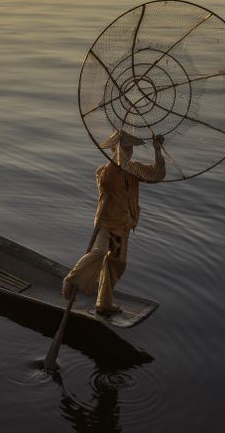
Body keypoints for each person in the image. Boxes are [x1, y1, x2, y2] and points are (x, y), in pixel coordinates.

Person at [62, 129, 166, 315]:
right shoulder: (104, 171)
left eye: (129, 149)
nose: (127, 152)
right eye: (123, 148)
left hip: (123, 226)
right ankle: (71, 280)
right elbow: (108, 183)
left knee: (116, 264)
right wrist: (119, 156)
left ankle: (104, 304)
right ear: (114, 151)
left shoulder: (134, 170)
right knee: (100, 252)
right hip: (106, 225)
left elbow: (157, 174)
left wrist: (157, 150)